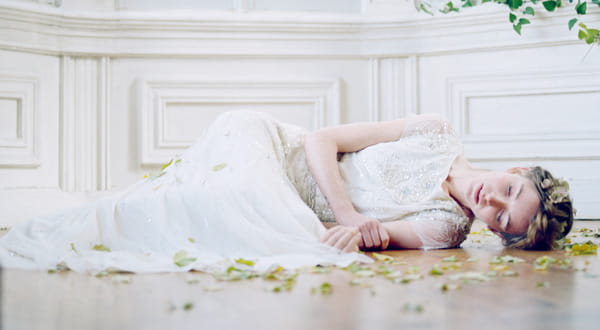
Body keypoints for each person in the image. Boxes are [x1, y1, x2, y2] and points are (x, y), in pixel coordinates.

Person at [0, 110, 573, 273]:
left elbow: (358, 237)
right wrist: (349, 208)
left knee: (202, 209)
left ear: (498, 237)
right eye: (508, 189)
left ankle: (105, 216)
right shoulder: (436, 131)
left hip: (294, 204)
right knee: (222, 180)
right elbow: (322, 139)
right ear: (516, 169)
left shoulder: (445, 230)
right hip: (280, 148)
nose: (489, 203)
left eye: (502, 222)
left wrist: (358, 226)